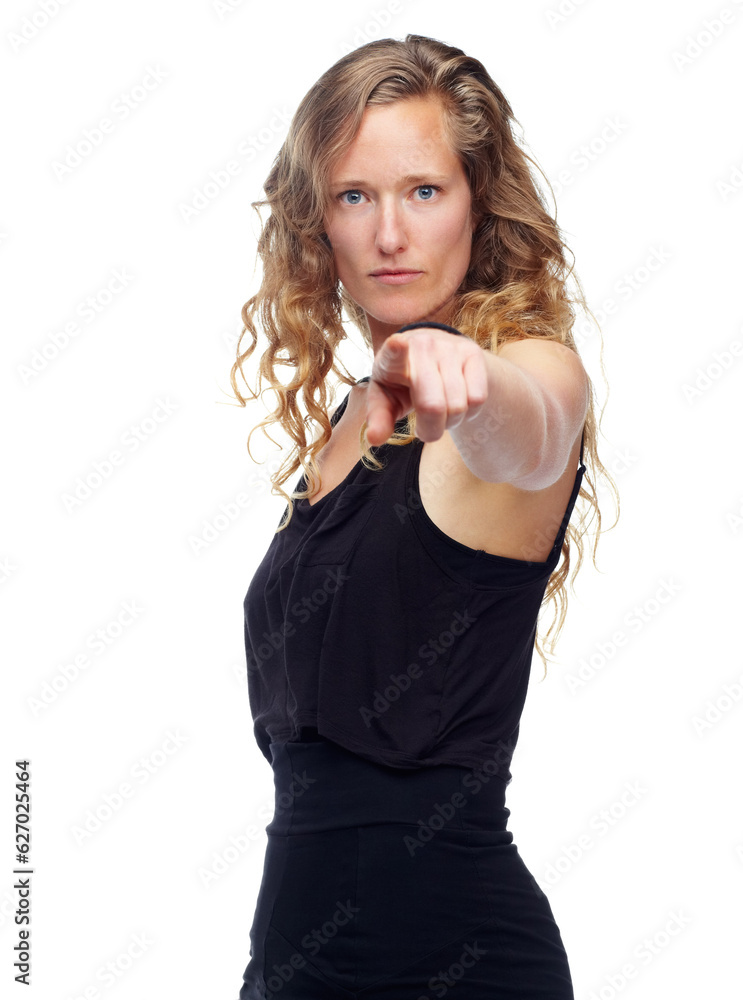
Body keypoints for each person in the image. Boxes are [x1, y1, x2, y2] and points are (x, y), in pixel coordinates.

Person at [230, 33, 616, 1000]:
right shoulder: (348, 420)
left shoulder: (522, 368)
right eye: (354, 196)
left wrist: (474, 379)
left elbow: (533, 430)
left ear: (478, 207)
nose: (388, 234)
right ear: (317, 219)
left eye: (424, 192)